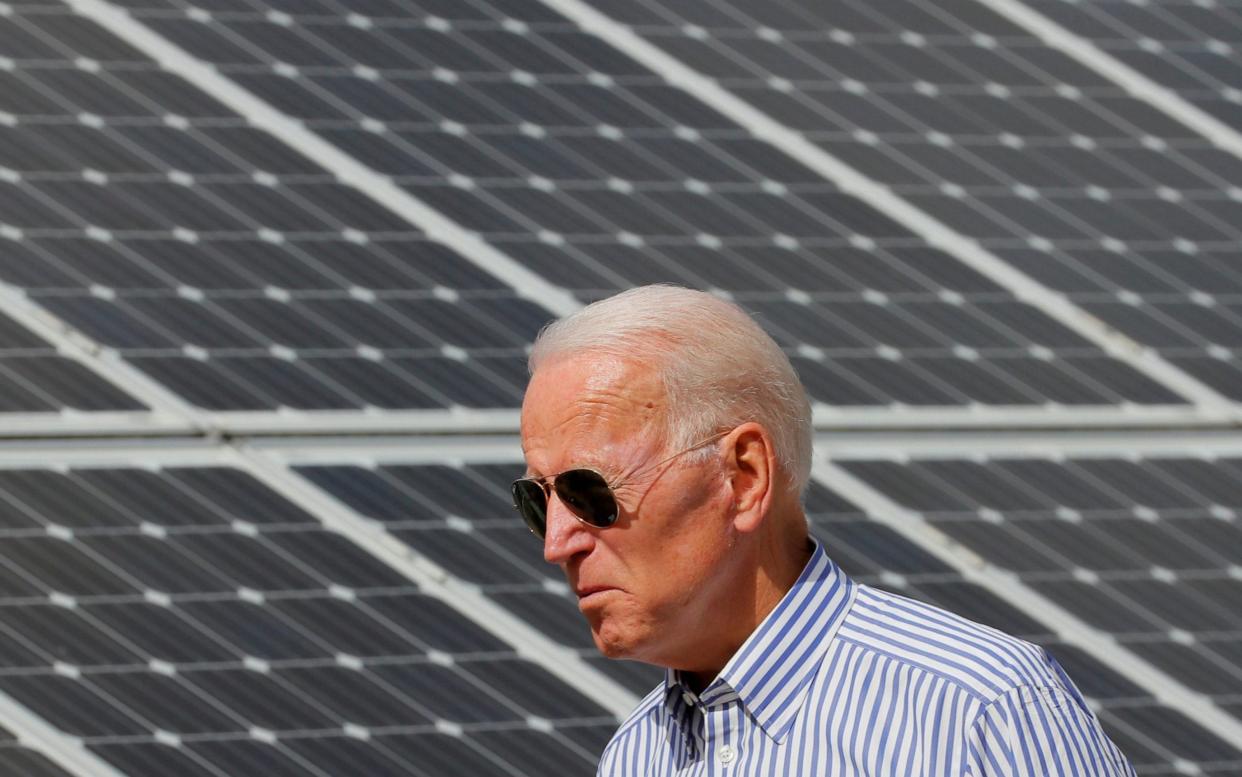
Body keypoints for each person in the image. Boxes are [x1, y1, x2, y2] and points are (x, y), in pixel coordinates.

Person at [513, 284, 1135, 776]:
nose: (556, 543)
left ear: (744, 476)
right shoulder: (636, 757)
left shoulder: (976, 710)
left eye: (589, 491)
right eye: (538, 501)